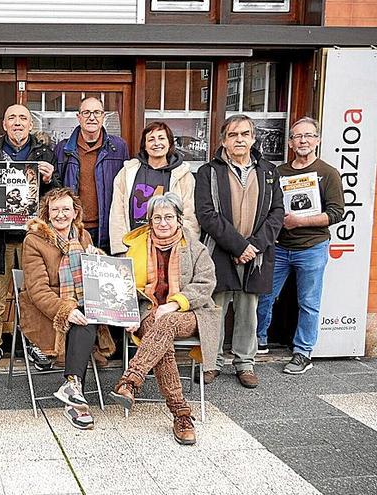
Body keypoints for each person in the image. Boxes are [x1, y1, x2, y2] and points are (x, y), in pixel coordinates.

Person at [110, 193, 219, 445]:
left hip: (191, 313)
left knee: (166, 322)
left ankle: (130, 381)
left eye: (169, 217)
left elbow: (205, 285)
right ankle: (181, 414)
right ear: (149, 221)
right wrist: (129, 313)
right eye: (157, 218)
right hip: (149, 312)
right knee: (162, 342)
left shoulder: (195, 247)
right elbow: (124, 287)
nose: (163, 223)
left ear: (179, 219)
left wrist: (173, 304)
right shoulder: (135, 249)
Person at [195, 114, 284, 389]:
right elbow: (206, 214)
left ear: (253, 138)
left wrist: (254, 246)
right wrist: (238, 245)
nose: (239, 139)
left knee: (248, 310)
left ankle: (245, 363)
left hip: (255, 254)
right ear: (223, 140)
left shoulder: (268, 172)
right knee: (215, 309)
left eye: (245, 134)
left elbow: (277, 212)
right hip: (220, 250)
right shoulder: (209, 171)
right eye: (233, 135)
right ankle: (211, 362)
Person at [21, 188, 116, 430]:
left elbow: (95, 279)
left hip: (82, 304)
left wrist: (97, 258)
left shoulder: (83, 237)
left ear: (75, 212)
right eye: (55, 210)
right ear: (47, 213)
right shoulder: (34, 241)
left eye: (66, 209)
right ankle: (75, 399)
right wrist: (66, 310)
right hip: (46, 310)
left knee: (88, 315)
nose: (61, 214)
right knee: (82, 319)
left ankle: (73, 389)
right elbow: (37, 290)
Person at [256, 117, 345, 374]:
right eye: (297, 136)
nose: (303, 141)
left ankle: (303, 352)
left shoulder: (327, 173)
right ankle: (259, 341)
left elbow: (337, 213)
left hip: (312, 247)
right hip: (280, 246)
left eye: (308, 135)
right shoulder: (279, 172)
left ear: (317, 140)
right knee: (265, 295)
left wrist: (301, 221)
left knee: (308, 302)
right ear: (290, 143)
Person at [0, 104, 60, 370]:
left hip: (32, 238)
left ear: (30, 125)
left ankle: (35, 343)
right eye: (11, 118)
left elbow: (56, 194)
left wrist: (49, 179)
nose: (17, 123)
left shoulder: (45, 153)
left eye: (23, 118)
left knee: (33, 292)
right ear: (4, 124)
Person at [109, 121, 200, 254]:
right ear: (144, 146)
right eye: (151, 139)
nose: (157, 143)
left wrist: (184, 249)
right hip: (134, 247)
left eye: (161, 138)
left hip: (171, 249)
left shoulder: (182, 175)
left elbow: (189, 216)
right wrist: (121, 250)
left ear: (169, 143)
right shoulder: (128, 172)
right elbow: (117, 213)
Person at [55, 96, 130, 254]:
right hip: (74, 228)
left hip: (108, 228)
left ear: (103, 116)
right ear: (79, 117)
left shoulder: (118, 147)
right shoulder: (63, 149)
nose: (92, 117)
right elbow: (57, 188)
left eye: (97, 112)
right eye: (86, 112)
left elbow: (126, 188)